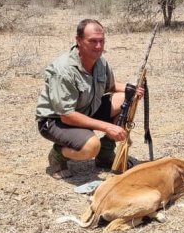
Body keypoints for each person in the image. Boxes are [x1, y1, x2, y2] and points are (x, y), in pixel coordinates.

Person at [36, 19, 144, 179]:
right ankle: (58, 155)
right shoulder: (64, 70)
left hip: (86, 110)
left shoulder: (100, 62)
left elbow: (111, 86)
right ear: (78, 41)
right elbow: (67, 116)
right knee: (91, 147)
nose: (99, 46)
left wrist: (132, 90)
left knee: (127, 98)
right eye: (93, 41)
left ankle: (106, 155)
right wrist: (107, 127)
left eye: (101, 41)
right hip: (55, 121)